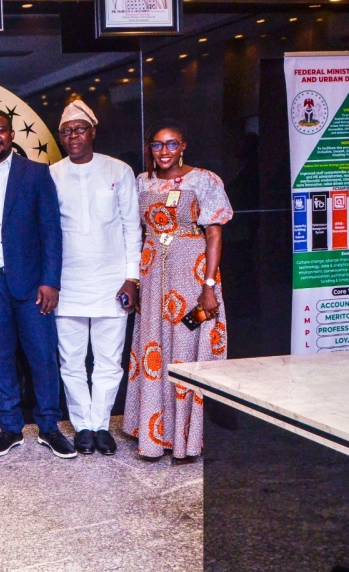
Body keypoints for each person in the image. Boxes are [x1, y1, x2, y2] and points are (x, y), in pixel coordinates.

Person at [0, 110, 77, 459]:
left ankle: (49, 426)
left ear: (11, 135)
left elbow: (51, 232)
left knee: (42, 358)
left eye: (0, 130)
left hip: (32, 286)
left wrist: (50, 281)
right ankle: (10, 427)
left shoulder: (36, 174)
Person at [123, 121, 232, 462]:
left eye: (172, 144)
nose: (165, 151)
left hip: (192, 280)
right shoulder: (143, 182)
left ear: (183, 145)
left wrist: (209, 287)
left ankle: (185, 438)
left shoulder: (204, 179)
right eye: (157, 145)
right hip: (154, 277)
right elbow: (135, 231)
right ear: (150, 149)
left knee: (186, 346)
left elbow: (214, 235)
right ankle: (155, 435)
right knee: (155, 348)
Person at [50, 101, 141, 456]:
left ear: (93, 132)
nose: (74, 136)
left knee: (107, 359)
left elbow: (131, 228)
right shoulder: (52, 174)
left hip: (111, 281)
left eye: (80, 129)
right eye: (67, 131)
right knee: (71, 360)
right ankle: (82, 426)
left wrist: (131, 279)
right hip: (67, 283)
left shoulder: (118, 170)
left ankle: (102, 424)